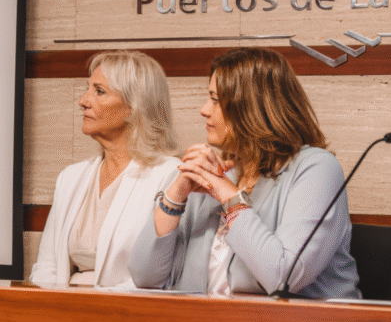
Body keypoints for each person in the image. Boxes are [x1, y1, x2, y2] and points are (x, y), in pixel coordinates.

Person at [129, 47, 360, 298]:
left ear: (252, 106)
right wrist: (176, 195)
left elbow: (283, 277)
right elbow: (145, 277)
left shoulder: (317, 168)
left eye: (215, 100)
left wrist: (230, 198)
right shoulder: (218, 174)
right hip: (204, 319)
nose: (204, 109)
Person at [30, 50, 180, 287]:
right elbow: (46, 267)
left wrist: (98, 306)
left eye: (99, 91)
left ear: (134, 106)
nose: (83, 101)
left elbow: (161, 276)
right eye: (88, 89)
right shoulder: (70, 177)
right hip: (62, 304)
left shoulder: (169, 174)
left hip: (126, 307)